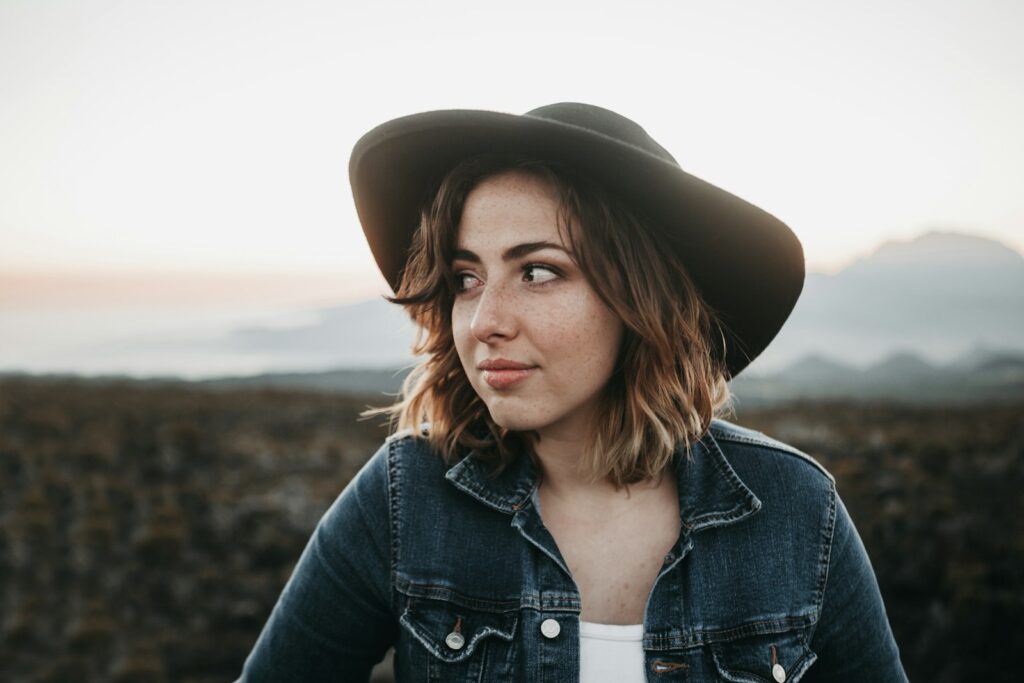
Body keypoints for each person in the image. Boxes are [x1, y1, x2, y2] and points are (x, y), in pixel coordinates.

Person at [237, 103, 908, 682]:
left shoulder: (792, 511)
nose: (486, 320)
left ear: (640, 299)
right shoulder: (408, 499)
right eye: (467, 278)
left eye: (537, 271)